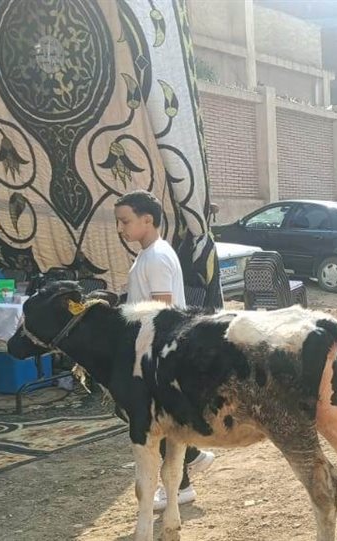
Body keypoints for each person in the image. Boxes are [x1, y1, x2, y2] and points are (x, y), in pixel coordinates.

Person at [114, 190, 215, 511]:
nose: (120, 228)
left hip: (157, 351)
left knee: (153, 419)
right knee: (153, 418)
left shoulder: (156, 257)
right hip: (152, 350)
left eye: (125, 221)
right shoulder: (149, 255)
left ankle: (185, 477)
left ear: (147, 220)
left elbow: (162, 310)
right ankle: (192, 461)